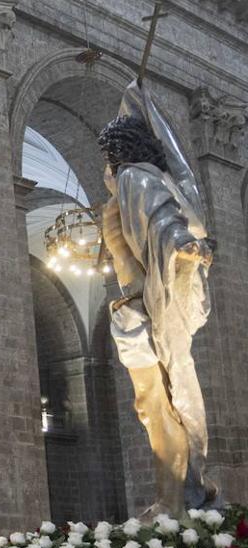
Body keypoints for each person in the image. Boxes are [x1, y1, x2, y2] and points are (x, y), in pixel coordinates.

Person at [99, 80, 218, 514]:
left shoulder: (135, 179)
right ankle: (180, 493)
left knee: (156, 404)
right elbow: (160, 221)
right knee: (157, 404)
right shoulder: (131, 186)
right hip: (137, 307)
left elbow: (163, 222)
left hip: (138, 310)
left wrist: (182, 244)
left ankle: (177, 499)